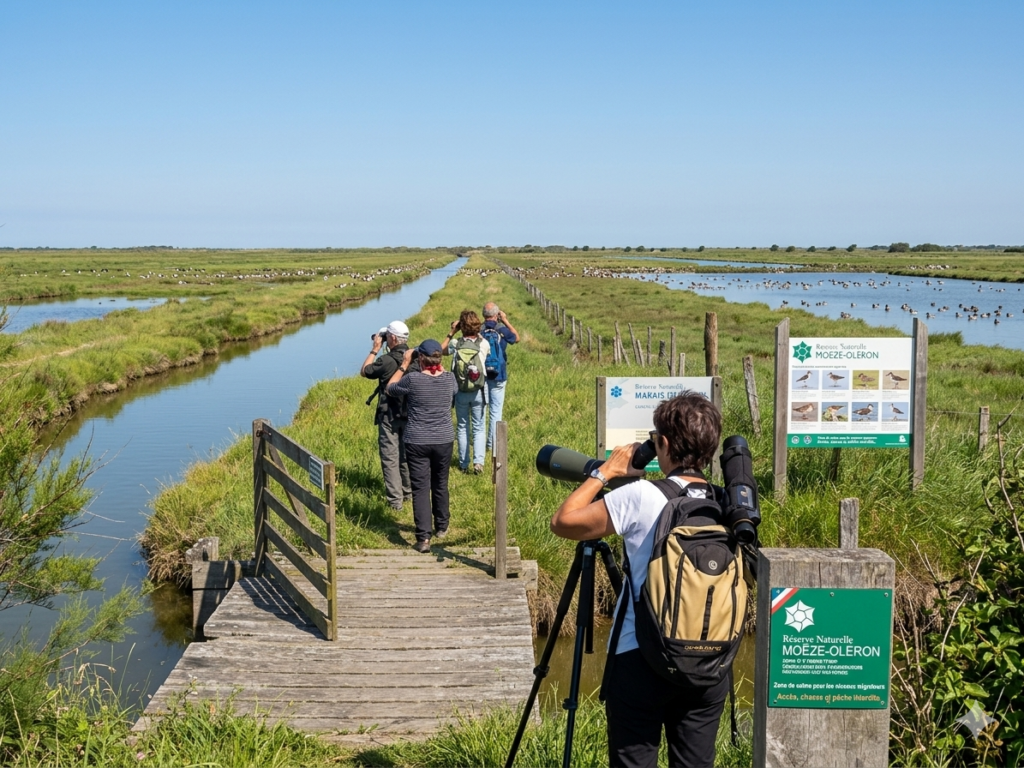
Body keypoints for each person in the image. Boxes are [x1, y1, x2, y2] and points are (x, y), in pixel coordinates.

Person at [549, 392, 727, 768]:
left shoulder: (641, 496)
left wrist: (605, 473)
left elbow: (564, 522)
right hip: (711, 661)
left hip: (640, 657)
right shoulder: (729, 504)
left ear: (661, 443)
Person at [385, 339, 458, 553]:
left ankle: (424, 538)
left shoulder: (413, 379)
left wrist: (404, 364)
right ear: (439, 359)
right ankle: (442, 526)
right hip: (444, 439)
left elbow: (390, 388)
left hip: (417, 439)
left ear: (420, 359)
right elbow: (453, 391)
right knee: (440, 483)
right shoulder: (450, 379)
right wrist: (440, 369)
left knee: (420, 488)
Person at [359, 320, 412, 510]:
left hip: (388, 414)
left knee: (390, 457)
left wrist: (374, 349)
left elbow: (365, 371)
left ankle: (395, 502)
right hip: (410, 413)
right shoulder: (413, 357)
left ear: (392, 337)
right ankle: (408, 493)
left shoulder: (387, 360)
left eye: (387, 335)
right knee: (406, 455)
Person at [442, 310, 490, 474]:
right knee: (478, 427)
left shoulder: (456, 344)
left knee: (462, 427)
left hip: (460, 390)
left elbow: (440, 351)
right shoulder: (483, 344)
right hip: (479, 391)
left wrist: (452, 332)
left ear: (461, 327)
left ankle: (463, 464)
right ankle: (478, 463)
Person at [480, 302, 519, 453]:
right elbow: (516, 338)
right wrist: (506, 320)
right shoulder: (501, 329)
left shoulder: (478, 330)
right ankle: (492, 445)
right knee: (495, 411)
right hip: (498, 374)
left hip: (481, 375)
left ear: (483, 315)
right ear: (497, 315)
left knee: (481, 410)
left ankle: (480, 444)